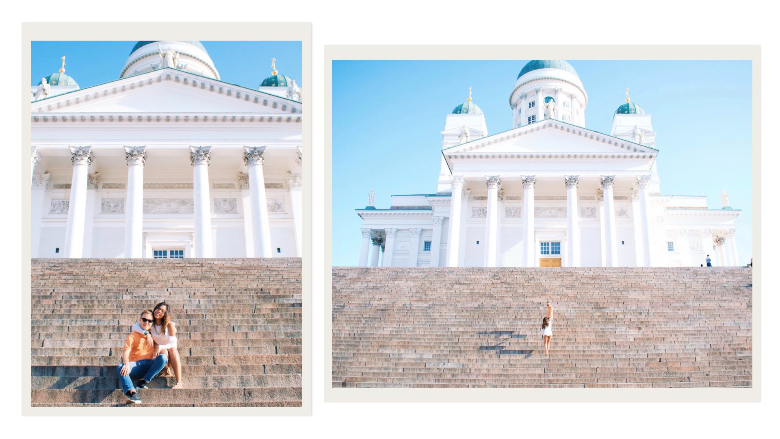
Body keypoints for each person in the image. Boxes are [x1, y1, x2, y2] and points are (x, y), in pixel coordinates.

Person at [117, 310, 168, 404]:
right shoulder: (132, 336)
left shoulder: (154, 335)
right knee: (120, 367)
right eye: (144, 320)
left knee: (163, 358)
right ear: (139, 320)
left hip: (150, 365)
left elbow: (165, 349)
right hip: (137, 365)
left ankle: (144, 381)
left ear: (152, 323)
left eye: (149, 321)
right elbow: (126, 351)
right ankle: (131, 392)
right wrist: (126, 364)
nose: (146, 322)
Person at [132, 301, 183, 389]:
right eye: (158, 308)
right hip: (159, 355)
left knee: (172, 349)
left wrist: (159, 347)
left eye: (162, 311)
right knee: (163, 352)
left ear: (165, 314)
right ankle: (164, 368)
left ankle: (179, 382)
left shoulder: (169, 325)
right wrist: (146, 333)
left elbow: (173, 343)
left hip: (170, 355)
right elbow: (135, 327)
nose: (159, 311)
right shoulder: (151, 323)